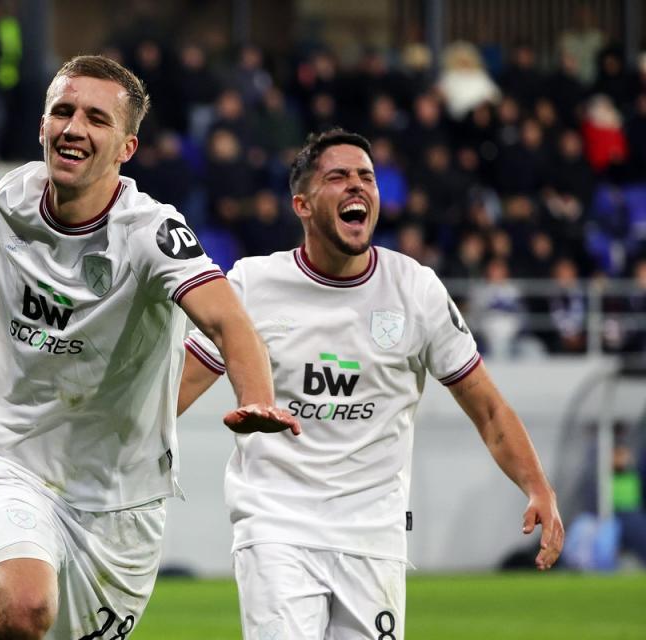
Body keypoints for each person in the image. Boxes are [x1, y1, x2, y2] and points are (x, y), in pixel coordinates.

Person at [0, 55, 298, 640]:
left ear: (126, 147)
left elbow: (226, 318)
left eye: (96, 118)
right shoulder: (15, 194)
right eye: (62, 112)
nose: (73, 128)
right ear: (42, 124)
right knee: (24, 609)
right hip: (12, 461)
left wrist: (260, 399)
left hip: (120, 496)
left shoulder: (151, 234)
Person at [179, 129, 564, 639]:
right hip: (277, 525)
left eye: (367, 177)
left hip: (374, 534)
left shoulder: (415, 289)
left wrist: (537, 486)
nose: (356, 186)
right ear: (302, 204)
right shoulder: (252, 284)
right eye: (337, 177)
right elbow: (176, 386)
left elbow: (488, 409)